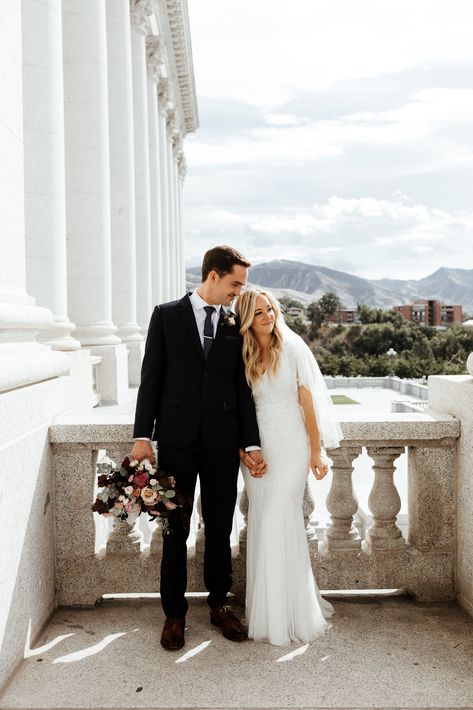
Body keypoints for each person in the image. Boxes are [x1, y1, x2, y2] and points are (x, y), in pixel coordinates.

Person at [131, 246, 266, 651]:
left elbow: (241, 388)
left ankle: (220, 605)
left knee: (221, 525)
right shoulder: (166, 315)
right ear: (212, 276)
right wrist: (142, 436)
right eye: (234, 283)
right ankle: (174, 614)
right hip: (176, 441)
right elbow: (151, 378)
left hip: (224, 444)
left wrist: (251, 442)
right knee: (175, 529)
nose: (239, 293)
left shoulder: (234, 321)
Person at [235, 288, 344, 646]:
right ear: (247, 318)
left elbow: (307, 404)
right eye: (259, 312)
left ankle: (292, 613)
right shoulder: (243, 352)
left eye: (270, 309)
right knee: (264, 519)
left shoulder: (292, 347)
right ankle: (266, 611)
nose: (267, 316)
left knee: (281, 516)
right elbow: (238, 407)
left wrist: (315, 452)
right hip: (258, 449)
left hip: (292, 444)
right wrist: (243, 452)